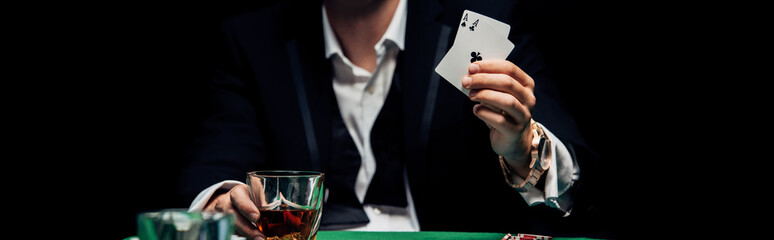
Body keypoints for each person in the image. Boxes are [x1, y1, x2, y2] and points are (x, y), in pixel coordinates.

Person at [179, 0, 604, 238]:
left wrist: (522, 147)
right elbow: (214, 167)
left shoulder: (483, 20)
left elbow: (578, 177)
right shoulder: (252, 38)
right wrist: (222, 202)